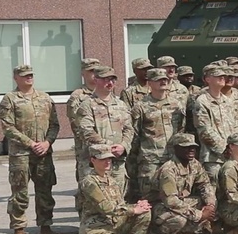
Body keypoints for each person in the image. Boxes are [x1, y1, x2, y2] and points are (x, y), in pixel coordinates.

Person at [0, 64, 65, 234]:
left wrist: (47, 143)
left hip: (44, 153)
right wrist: (30, 143)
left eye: (30, 75)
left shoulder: (44, 98)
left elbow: (55, 125)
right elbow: (7, 127)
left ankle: (46, 229)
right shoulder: (10, 99)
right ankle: (19, 231)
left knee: (45, 191)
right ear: (16, 78)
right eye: (24, 75)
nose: (29, 77)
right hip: (21, 154)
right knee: (19, 193)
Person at [79, 144, 152, 234]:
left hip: (112, 224)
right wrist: (133, 210)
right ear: (93, 160)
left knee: (144, 212)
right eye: (103, 159)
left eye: (109, 158)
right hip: (96, 228)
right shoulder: (89, 182)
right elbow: (106, 208)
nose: (107, 162)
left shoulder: (110, 179)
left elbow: (120, 205)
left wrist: (137, 205)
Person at [75, 65, 134, 205]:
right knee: (93, 201)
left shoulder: (120, 104)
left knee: (118, 199)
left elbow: (129, 129)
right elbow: (86, 131)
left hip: (117, 162)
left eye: (113, 79)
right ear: (95, 79)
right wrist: (109, 147)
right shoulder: (87, 105)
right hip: (96, 162)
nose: (110, 83)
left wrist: (123, 146)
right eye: (106, 79)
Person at [150, 133, 217, 234]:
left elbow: (205, 185)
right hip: (159, 207)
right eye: (186, 147)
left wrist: (210, 204)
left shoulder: (194, 164)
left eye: (193, 147)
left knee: (204, 204)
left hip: (176, 203)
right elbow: (171, 201)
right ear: (176, 149)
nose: (191, 149)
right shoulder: (168, 169)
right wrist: (199, 215)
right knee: (180, 219)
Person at [129, 68, 185, 202]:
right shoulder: (141, 107)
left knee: (173, 196)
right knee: (150, 197)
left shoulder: (176, 105)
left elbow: (181, 130)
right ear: (150, 82)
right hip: (150, 160)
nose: (163, 82)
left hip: (172, 158)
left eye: (165, 79)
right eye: (159, 80)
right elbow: (135, 135)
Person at [193, 64, 236, 186]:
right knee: (214, 192)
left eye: (223, 76)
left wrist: (235, 147)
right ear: (207, 79)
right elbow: (204, 131)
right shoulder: (202, 101)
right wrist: (224, 149)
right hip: (213, 158)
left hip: (231, 155)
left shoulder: (227, 101)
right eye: (217, 76)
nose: (222, 78)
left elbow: (235, 126)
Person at [67, 58, 99, 186]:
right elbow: (77, 125)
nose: (94, 74)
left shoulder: (105, 93)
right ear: (83, 74)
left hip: (105, 150)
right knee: (86, 185)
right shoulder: (77, 96)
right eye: (91, 71)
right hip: (86, 150)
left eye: (97, 71)